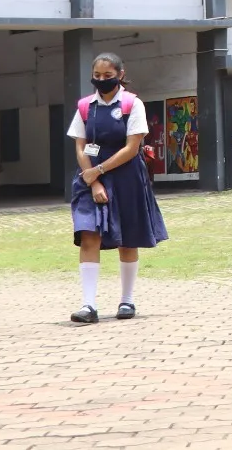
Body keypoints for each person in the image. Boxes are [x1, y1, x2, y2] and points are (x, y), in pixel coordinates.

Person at [68, 52, 168, 325]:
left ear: (121, 75)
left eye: (107, 76)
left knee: (127, 237)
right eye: (97, 76)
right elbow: (80, 144)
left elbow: (131, 147)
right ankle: (88, 305)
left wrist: (99, 171)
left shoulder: (132, 104)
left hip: (126, 177)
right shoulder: (86, 106)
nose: (101, 81)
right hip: (90, 177)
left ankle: (127, 300)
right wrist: (93, 179)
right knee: (89, 234)